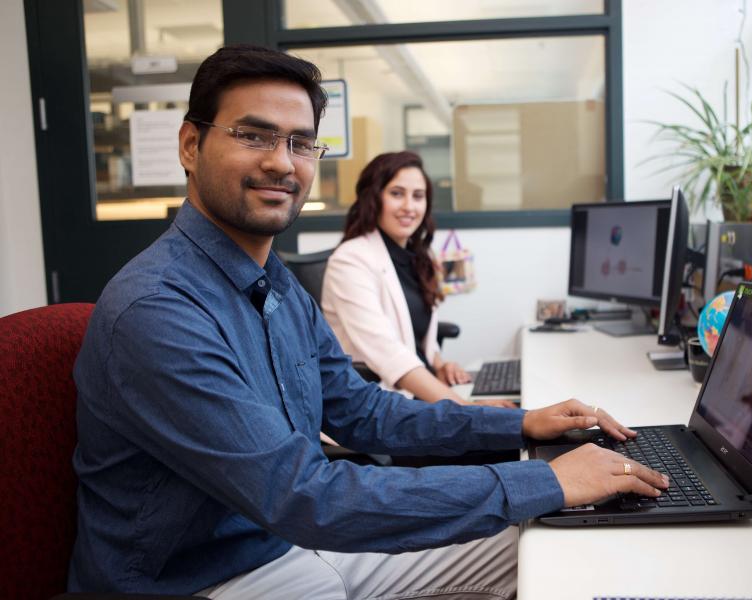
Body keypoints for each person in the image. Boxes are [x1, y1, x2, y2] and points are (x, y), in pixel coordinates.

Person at [69, 45, 668, 598]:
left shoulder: (272, 282)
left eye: (302, 143)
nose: (282, 163)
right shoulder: (158, 312)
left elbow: (364, 411)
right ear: (190, 146)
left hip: (286, 543)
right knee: (547, 509)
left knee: (550, 548)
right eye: (254, 135)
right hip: (202, 582)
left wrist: (518, 427)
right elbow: (303, 494)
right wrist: (549, 482)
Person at [322, 151, 510, 407]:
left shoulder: (418, 257)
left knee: (515, 417)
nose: (409, 207)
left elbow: (419, 338)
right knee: (507, 432)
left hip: (420, 393)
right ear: (373, 198)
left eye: (418, 196)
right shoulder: (350, 261)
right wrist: (466, 411)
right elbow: (389, 354)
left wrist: (440, 364)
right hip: (379, 404)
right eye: (397, 193)